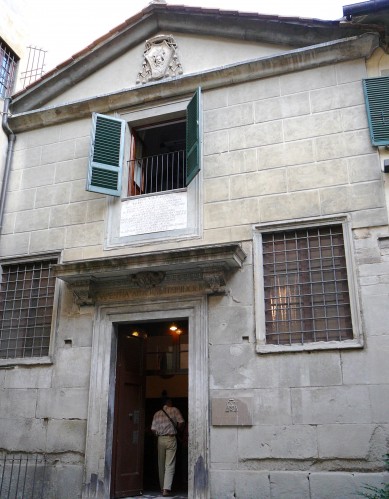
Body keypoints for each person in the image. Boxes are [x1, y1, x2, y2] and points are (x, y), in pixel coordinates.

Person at [151, 397, 184, 497]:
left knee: (160, 463)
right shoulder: (174, 409)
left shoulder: (157, 413)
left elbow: (153, 429)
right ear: (169, 402)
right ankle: (166, 489)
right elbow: (181, 422)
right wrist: (179, 429)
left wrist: (158, 434)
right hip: (171, 438)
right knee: (169, 464)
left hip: (160, 439)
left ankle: (162, 488)